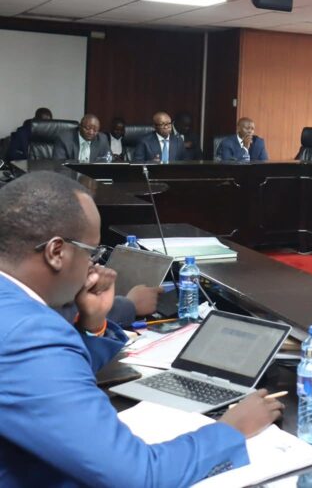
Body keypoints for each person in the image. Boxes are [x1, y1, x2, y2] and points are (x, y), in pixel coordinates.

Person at [0, 172, 283, 487]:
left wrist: (93, 324)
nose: (94, 266)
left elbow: (43, 386)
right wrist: (231, 430)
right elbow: (138, 476)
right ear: (56, 252)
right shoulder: (30, 334)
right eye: (92, 252)